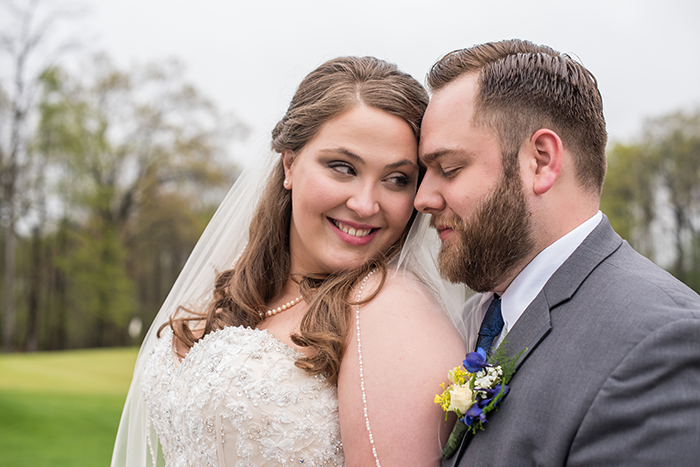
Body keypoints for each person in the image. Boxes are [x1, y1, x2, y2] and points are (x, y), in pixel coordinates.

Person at [111, 56, 467, 467]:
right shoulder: (237, 290)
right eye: (342, 167)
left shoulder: (389, 307)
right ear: (290, 163)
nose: (365, 204)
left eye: (397, 179)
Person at [415, 39, 700, 466]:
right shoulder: (465, 323)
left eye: (449, 169)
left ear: (541, 162)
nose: (423, 198)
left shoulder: (660, 344)